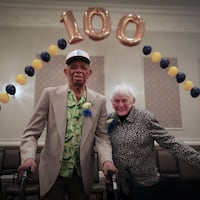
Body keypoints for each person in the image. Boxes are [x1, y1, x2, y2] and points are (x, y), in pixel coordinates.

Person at [18, 49, 118, 200]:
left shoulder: (99, 101)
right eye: (73, 67)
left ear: (89, 72)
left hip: (81, 175)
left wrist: (107, 161)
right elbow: (31, 133)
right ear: (66, 71)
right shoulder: (50, 95)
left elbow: (102, 137)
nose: (78, 70)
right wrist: (28, 157)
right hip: (53, 174)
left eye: (83, 67)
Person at [106, 84, 200, 200]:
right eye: (116, 101)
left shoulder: (146, 118)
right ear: (111, 102)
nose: (120, 105)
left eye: (124, 100)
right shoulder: (108, 120)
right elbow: (102, 143)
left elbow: (170, 142)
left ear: (133, 100)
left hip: (145, 184)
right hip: (120, 184)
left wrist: (197, 159)